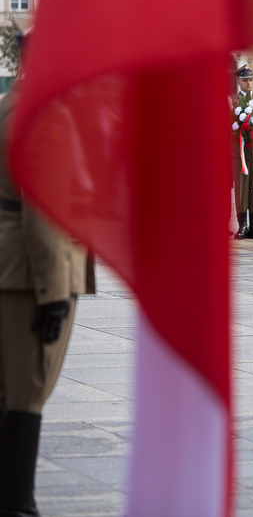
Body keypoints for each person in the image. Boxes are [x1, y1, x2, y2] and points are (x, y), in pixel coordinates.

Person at [0, 79, 95, 517]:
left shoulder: (10, 104)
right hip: (30, 275)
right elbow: (43, 207)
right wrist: (55, 291)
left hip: (12, 268)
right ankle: (17, 502)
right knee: (27, 391)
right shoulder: (46, 116)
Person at [229, 64, 253, 240]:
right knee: (242, 189)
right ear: (238, 81)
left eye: (251, 80)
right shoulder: (232, 101)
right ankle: (242, 224)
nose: (249, 83)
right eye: (245, 80)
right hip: (239, 152)